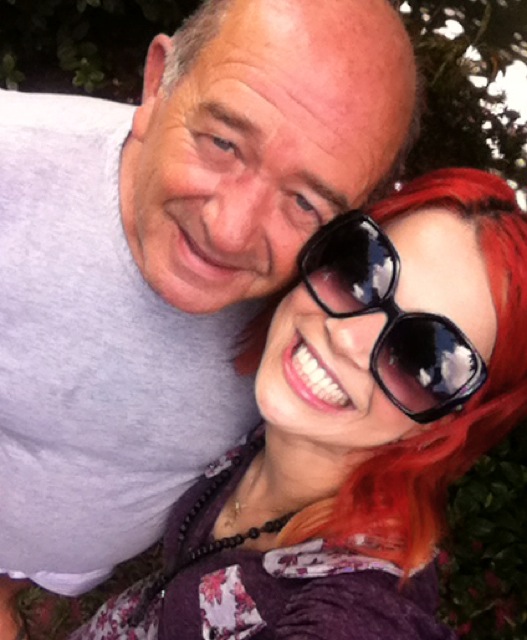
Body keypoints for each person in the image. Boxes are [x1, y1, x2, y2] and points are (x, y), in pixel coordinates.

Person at [0, 0, 418, 636]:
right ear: (157, 85)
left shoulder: (318, 317)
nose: (229, 232)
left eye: (305, 202)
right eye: (223, 143)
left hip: (57, 564)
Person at [67, 167, 527, 639]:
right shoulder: (257, 423)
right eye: (362, 272)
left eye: (423, 358)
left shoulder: (362, 600)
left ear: (448, 423)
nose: (347, 336)